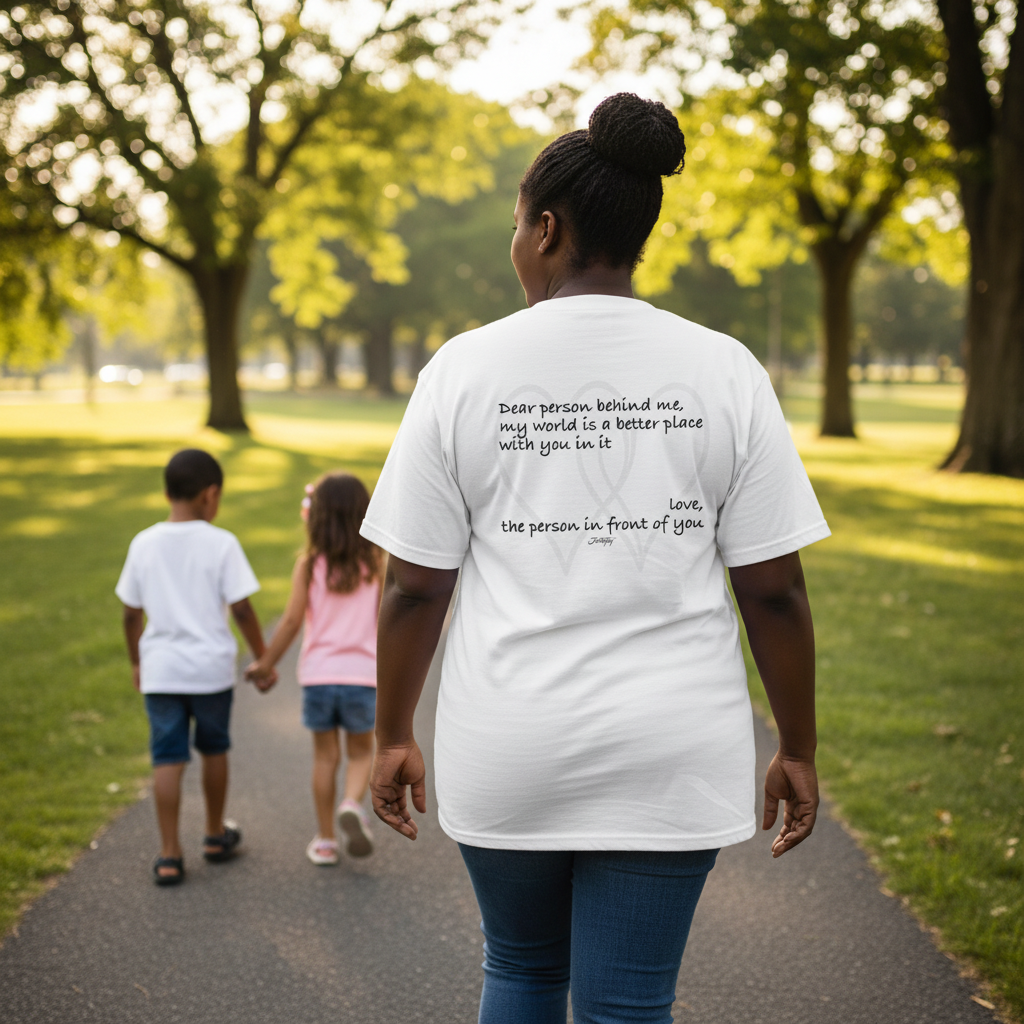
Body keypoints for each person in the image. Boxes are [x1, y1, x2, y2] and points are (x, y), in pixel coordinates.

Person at [360, 92, 831, 1024]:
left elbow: (415, 585)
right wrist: (798, 747)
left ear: (546, 227)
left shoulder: (463, 369)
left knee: (523, 974)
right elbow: (772, 592)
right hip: (670, 749)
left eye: (514, 224)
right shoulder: (724, 368)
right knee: (627, 1005)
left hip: (511, 741)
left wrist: (392, 735)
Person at [116, 448, 276, 887]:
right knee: (214, 748)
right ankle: (212, 833)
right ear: (211, 495)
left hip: (161, 672)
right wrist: (262, 657)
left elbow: (131, 614)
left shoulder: (143, 543)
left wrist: (136, 660)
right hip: (209, 673)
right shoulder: (220, 542)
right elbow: (241, 608)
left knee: (167, 757)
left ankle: (169, 854)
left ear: (167, 491)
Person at [246, 472, 380, 865]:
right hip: (362, 677)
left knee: (325, 758)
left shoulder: (308, 566)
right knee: (359, 754)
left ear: (315, 517)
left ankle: (325, 841)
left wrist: (265, 664)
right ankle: (352, 805)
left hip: (319, 677)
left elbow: (289, 622)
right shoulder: (375, 564)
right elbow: (388, 623)